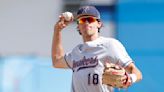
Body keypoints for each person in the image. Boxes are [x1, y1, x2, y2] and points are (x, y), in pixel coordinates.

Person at [52, 5, 142, 92]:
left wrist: (130, 78)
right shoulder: (76, 52)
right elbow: (56, 61)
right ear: (78, 26)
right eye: (82, 20)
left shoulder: (110, 45)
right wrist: (57, 30)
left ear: (99, 24)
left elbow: (136, 72)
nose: (86, 22)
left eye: (90, 19)